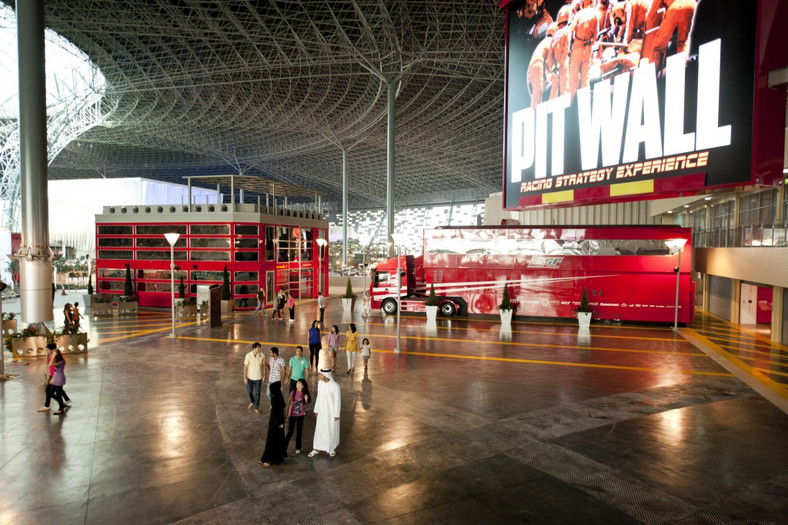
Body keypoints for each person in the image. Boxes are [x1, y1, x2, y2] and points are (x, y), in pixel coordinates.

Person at [308, 370, 341, 458]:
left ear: (326, 375)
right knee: (319, 429)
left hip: (331, 413)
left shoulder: (335, 386)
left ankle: (331, 448)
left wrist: (336, 414)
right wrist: (316, 409)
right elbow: (318, 396)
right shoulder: (320, 383)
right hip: (322, 412)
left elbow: (337, 401)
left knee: (330, 430)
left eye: (321, 374)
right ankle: (317, 448)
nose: (319, 376)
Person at [258, 380, 287, 467]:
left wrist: (279, 423)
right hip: (278, 422)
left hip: (275, 423)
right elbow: (282, 409)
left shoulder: (274, 398)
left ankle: (270, 460)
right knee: (277, 440)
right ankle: (276, 457)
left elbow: (276, 412)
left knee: (272, 441)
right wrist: (282, 421)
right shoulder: (279, 396)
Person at [38, 343, 71, 413]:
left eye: (48, 349)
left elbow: (51, 364)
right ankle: (62, 402)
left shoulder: (56, 357)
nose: (47, 350)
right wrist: (47, 355)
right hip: (53, 375)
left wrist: (53, 378)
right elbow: (47, 363)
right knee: (51, 391)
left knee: (50, 391)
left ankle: (49, 405)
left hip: (55, 376)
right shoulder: (52, 356)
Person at [284, 378, 311, 455]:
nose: (297, 384)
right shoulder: (293, 392)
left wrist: (305, 399)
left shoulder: (304, 393)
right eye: (297, 383)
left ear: (302, 385)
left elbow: (305, 405)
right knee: (290, 430)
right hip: (292, 414)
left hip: (300, 414)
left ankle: (298, 448)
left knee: (299, 431)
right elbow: (289, 403)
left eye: (299, 383)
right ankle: (284, 447)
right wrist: (286, 415)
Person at [244, 342, 265, 414]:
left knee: (258, 393)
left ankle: (256, 407)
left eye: (260, 348)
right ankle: (252, 401)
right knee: (249, 391)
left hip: (258, 378)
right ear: (254, 348)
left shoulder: (262, 355)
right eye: (258, 348)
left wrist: (264, 376)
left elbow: (264, 366)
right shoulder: (248, 355)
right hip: (250, 377)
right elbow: (245, 367)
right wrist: (245, 378)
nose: (259, 349)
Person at [49, 349, 68, 415]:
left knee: (58, 394)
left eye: (53, 353)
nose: (52, 355)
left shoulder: (61, 362)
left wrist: (53, 356)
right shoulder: (58, 361)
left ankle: (61, 409)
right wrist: (52, 379)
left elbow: (51, 364)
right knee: (52, 393)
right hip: (56, 378)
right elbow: (55, 370)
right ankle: (62, 404)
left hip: (60, 378)